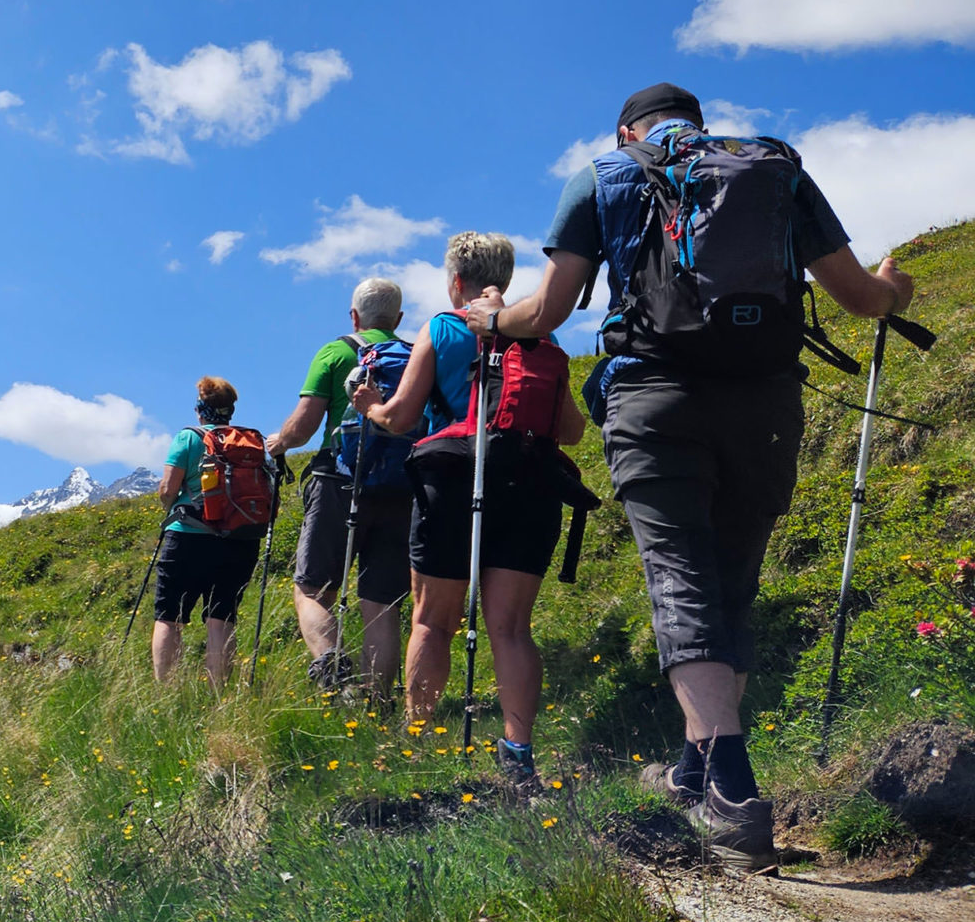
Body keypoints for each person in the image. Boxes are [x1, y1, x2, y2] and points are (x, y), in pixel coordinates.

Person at [470, 82, 916, 870]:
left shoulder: (607, 173)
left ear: (626, 127)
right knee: (730, 580)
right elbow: (859, 296)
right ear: (698, 126)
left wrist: (490, 319)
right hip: (766, 403)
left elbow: (547, 315)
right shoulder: (773, 170)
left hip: (656, 399)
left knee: (681, 577)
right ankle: (693, 769)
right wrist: (894, 289)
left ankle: (734, 796)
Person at [351, 232, 586, 790]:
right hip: (529, 480)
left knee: (433, 622)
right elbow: (572, 431)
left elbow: (405, 417)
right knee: (510, 627)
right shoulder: (538, 331)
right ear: (503, 280)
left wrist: (371, 409)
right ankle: (518, 754)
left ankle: (419, 744)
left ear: (456, 281)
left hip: (453, 476)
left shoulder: (443, 327)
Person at [262, 277, 413, 697]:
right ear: (397, 318)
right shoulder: (415, 357)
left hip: (339, 481)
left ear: (354, 316)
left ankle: (333, 672)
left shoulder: (337, 351)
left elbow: (305, 425)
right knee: (381, 603)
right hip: (400, 488)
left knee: (312, 590)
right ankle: (377, 705)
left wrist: (279, 442)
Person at [150, 378, 266, 688]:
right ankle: (220, 697)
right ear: (230, 410)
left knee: (170, 616)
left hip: (188, 536)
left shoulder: (187, 438)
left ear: (201, 409)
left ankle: (166, 695)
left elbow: (167, 491)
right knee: (221, 617)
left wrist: (169, 499)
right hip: (241, 539)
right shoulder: (251, 442)